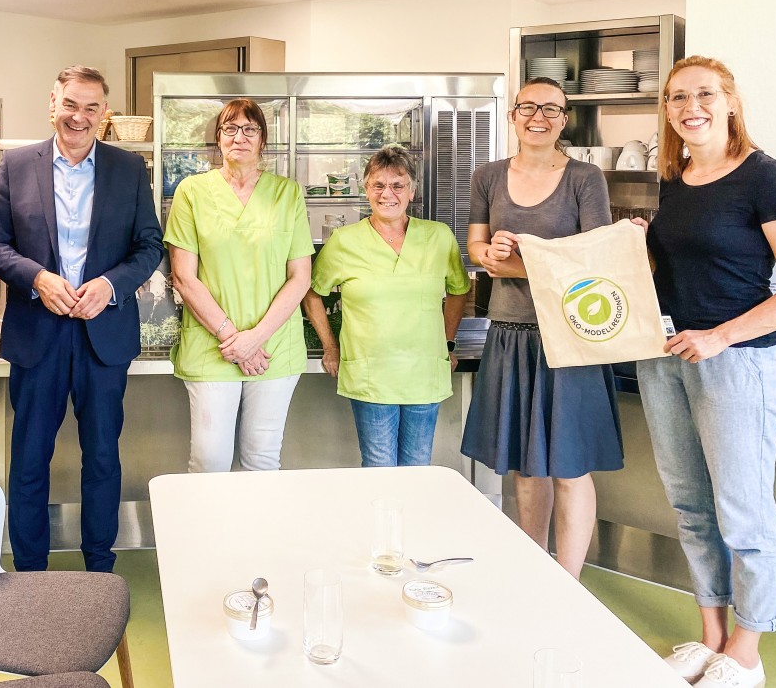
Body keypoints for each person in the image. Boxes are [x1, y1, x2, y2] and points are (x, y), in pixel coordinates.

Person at [636, 56, 776, 688]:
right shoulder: (675, 180)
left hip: (738, 362)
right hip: (667, 356)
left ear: (729, 101)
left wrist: (722, 336)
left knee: (743, 513)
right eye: (677, 97)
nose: (689, 106)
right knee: (691, 507)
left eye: (703, 94)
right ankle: (710, 639)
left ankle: (746, 654)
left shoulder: (767, 177)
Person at [0, 65, 162, 573]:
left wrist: (109, 286)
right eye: (70, 105)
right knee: (30, 458)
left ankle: (100, 568)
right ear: (52, 105)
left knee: (103, 456)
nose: (78, 116)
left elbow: (149, 245)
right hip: (38, 333)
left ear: (104, 115)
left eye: (91, 107)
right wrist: (38, 278)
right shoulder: (17, 166)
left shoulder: (128, 170)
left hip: (103, 334)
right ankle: (30, 571)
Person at [459, 76, 623, 579]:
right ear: (512, 115)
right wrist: (493, 256)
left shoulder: (585, 178)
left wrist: (512, 263)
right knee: (528, 468)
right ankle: (535, 573)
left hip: (570, 335)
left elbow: (595, 260)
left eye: (551, 109)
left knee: (570, 468)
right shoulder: (486, 176)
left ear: (565, 118)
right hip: (510, 333)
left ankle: (568, 580)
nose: (539, 117)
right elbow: (477, 250)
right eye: (528, 107)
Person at [164, 98, 313, 473]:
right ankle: (207, 534)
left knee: (262, 460)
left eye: (250, 129)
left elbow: (300, 277)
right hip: (212, 343)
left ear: (263, 140)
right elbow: (184, 276)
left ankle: (255, 535)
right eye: (230, 128)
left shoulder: (287, 194)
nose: (239, 137)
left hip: (274, 344)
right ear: (218, 138)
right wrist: (234, 337)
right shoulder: (192, 192)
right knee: (209, 459)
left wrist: (255, 338)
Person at [303, 146, 469, 466]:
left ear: (412, 191)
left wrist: (447, 342)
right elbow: (312, 292)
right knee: (379, 468)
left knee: (417, 467)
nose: (387, 194)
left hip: (424, 374)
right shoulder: (344, 240)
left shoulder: (439, 237)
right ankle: (381, 520)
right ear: (366, 190)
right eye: (378, 185)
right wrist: (330, 347)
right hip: (371, 375)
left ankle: (411, 520)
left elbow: (459, 290)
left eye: (397, 184)